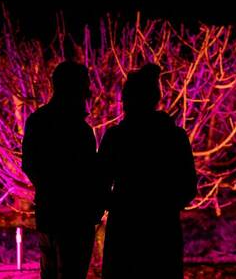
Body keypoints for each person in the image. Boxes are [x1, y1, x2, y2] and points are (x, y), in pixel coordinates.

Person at [99, 63, 197, 278]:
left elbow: (99, 185)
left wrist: (120, 203)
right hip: (163, 230)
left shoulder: (116, 137)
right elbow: (188, 186)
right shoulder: (174, 137)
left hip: (124, 231)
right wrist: (164, 204)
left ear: (126, 100)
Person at [22, 61, 102, 279]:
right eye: (85, 86)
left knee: (49, 273)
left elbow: (29, 164)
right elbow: (89, 174)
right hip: (75, 218)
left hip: (48, 214)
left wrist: (48, 191)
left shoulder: (38, 121)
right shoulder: (79, 129)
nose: (88, 92)